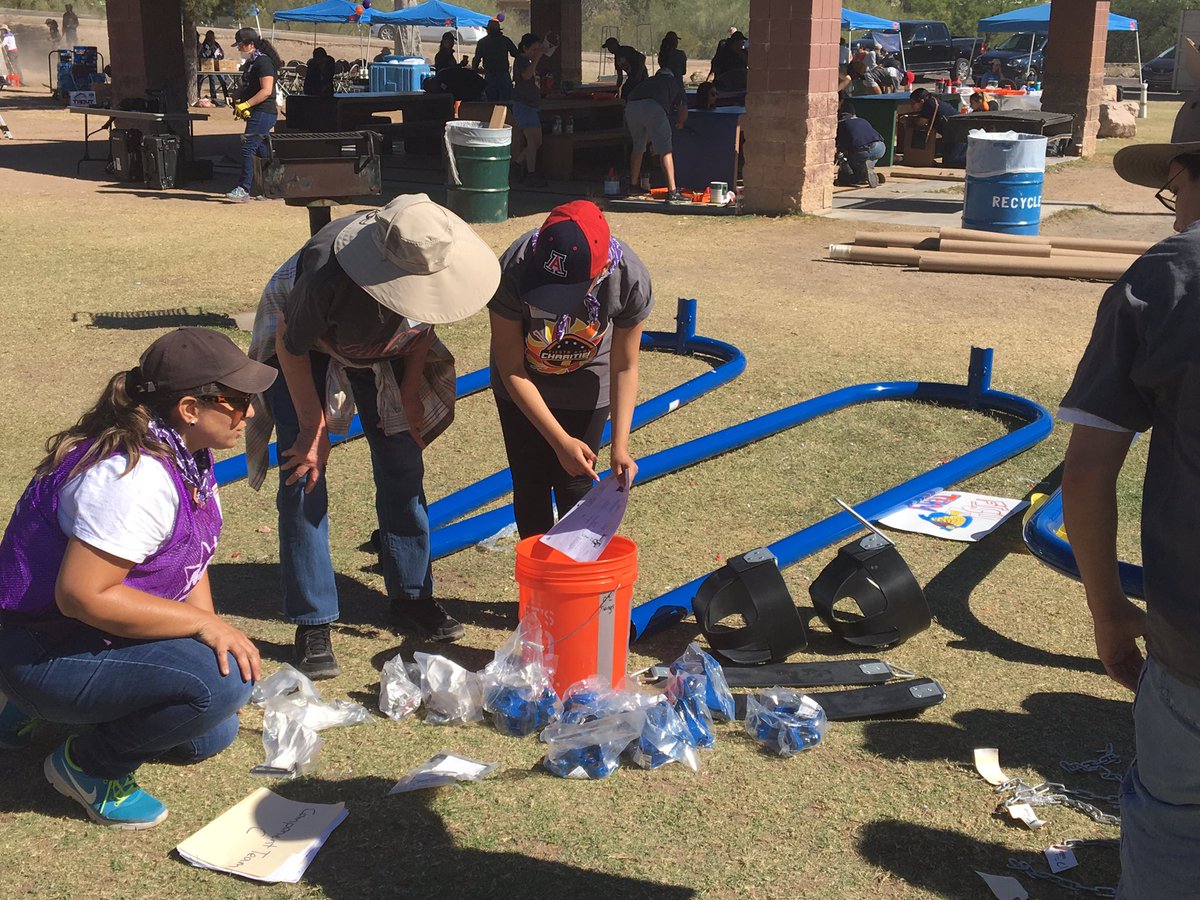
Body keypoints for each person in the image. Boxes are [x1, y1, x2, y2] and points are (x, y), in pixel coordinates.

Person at [0, 328, 275, 829]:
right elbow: (81, 596)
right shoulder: (133, 479)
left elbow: (191, 558)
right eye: (238, 401)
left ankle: (34, 708)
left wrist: (212, 638)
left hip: (78, 635)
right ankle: (85, 766)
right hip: (41, 645)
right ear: (189, 408)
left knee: (211, 730)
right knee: (221, 687)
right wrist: (203, 628)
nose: (251, 413)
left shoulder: (185, 453)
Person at [244, 194, 500, 678]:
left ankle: (412, 597)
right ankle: (313, 620)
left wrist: (409, 394)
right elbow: (291, 345)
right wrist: (313, 428)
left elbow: (422, 327)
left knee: (403, 461)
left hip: (385, 348)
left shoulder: (433, 256)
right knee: (304, 472)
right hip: (306, 344)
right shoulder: (327, 275)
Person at [1058, 93, 1200, 900]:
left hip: (1193, 645)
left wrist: (1110, 611)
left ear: (1183, 173)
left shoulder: (1167, 278)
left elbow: (1086, 473)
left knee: (1175, 829)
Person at [488, 201, 653, 539]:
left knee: (576, 485)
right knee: (530, 483)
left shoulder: (629, 278)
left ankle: (575, 570)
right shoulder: (514, 267)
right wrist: (560, 440)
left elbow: (625, 366)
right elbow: (511, 367)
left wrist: (620, 446)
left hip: (587, 386)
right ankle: (538, 571)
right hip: (522, 384)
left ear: (601, 268)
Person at [226, 28, 282, 203]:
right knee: (261, 150)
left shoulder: (264, 63)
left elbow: (266, 91)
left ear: (250, 44)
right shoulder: (252, 63)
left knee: (248, 147)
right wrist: (235, 97)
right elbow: (247, 85)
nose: (239, 49)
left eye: (240, 45)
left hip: (264, 111)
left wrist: (246, 104)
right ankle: (271, 188)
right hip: (257, 112)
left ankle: (243, 188)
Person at [624, 63, 688, 202]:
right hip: (654, 107)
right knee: (665, 150)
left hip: (631, 107)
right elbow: (682, 108)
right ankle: (672, 191)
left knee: (638, 146)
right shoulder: (674, 82)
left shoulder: (649, 81)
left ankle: (633, 186)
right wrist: (680, 123)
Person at [511, 33, 545, 187]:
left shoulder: (530, 62)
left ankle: (518, 164)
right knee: (532, 141)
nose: (535, 52)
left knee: (537, 141)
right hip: (524, 105)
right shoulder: (521, 61)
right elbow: (526, 76)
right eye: (533, 49)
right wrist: (536, 59)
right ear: (525, 48)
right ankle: (531, 173)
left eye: (538, 49)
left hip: (532, 105)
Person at [835, 103, 885, 187]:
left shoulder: (840, 125)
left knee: (850, 160)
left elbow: (840, 147)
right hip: (880, 147)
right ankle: (869, 169)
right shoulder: (862, 120)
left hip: (861, 152)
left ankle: (861, 175)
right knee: (868, 160)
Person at [472, 18, 518, 102]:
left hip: (490, 74)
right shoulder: (505, 40)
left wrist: (474, 71)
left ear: (488, 30)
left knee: (491, 101)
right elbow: (516, 54)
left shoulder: (482, 42)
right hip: (503, 74)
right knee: (506, 101)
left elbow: (477, 59)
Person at [198, 30, 226, 104]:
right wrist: (205, 55)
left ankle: (226, 96)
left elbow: (221, 55)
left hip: (216, 65)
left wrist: (217, 55)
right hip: (207, 65)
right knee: (205, 79)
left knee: (222, 80)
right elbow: (200, 55)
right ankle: (206, 96)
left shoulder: (216, 45)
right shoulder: (204, 45)